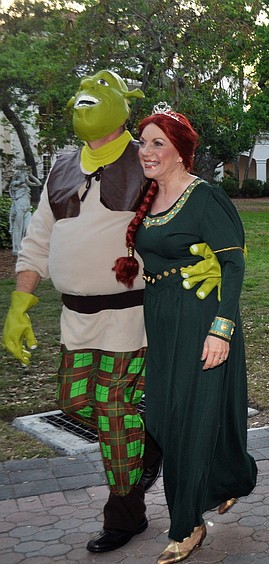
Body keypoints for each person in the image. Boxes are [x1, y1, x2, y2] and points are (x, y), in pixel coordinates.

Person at [1, 71, 170, 554]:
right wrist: (20, 303)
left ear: (122, 105)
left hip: (129, 315)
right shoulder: (61, 167)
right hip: (74, 317)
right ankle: (150, 441)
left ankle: (125, 514)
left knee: (114, 410)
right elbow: (37, 240)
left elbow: (182, 213)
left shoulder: (147, 159)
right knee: (78, 404)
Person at [113, 103, 257, 563]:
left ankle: (188, 522)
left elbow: (233, 263)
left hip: (201, 322)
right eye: (144, 142)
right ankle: (230, 476)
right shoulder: (149, 197)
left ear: (180, 151)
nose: (147, 150)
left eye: (159, 142)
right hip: (162, 319)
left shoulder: (205, 198)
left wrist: (221, 328)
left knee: (185, 421)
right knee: (161, 417)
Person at [6, 166, 38, 256]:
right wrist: (22, 173)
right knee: (18, 229)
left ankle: (26, 247)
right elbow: (21, 181)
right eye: (24, 173)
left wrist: (31, 175)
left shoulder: (26, 183)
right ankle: (16, 248)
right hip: (19, 208)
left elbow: (38, 183)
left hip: (27, 209)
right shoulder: (15, 183)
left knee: (28, 228)